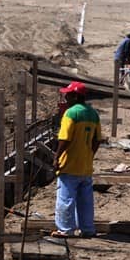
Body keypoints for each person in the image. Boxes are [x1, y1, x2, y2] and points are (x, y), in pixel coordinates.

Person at [52, 81, 102, 237]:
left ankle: (65, 229)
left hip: (70, 165)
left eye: (68, 94)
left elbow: (64, 139)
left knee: (66, 199)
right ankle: (87, 229)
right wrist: (89, 155)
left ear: (75, 96)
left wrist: (56, 157)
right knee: (85, 200)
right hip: (85, 166)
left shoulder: (71, 113)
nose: (66, 97)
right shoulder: (93, 114)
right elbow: (97, 139)